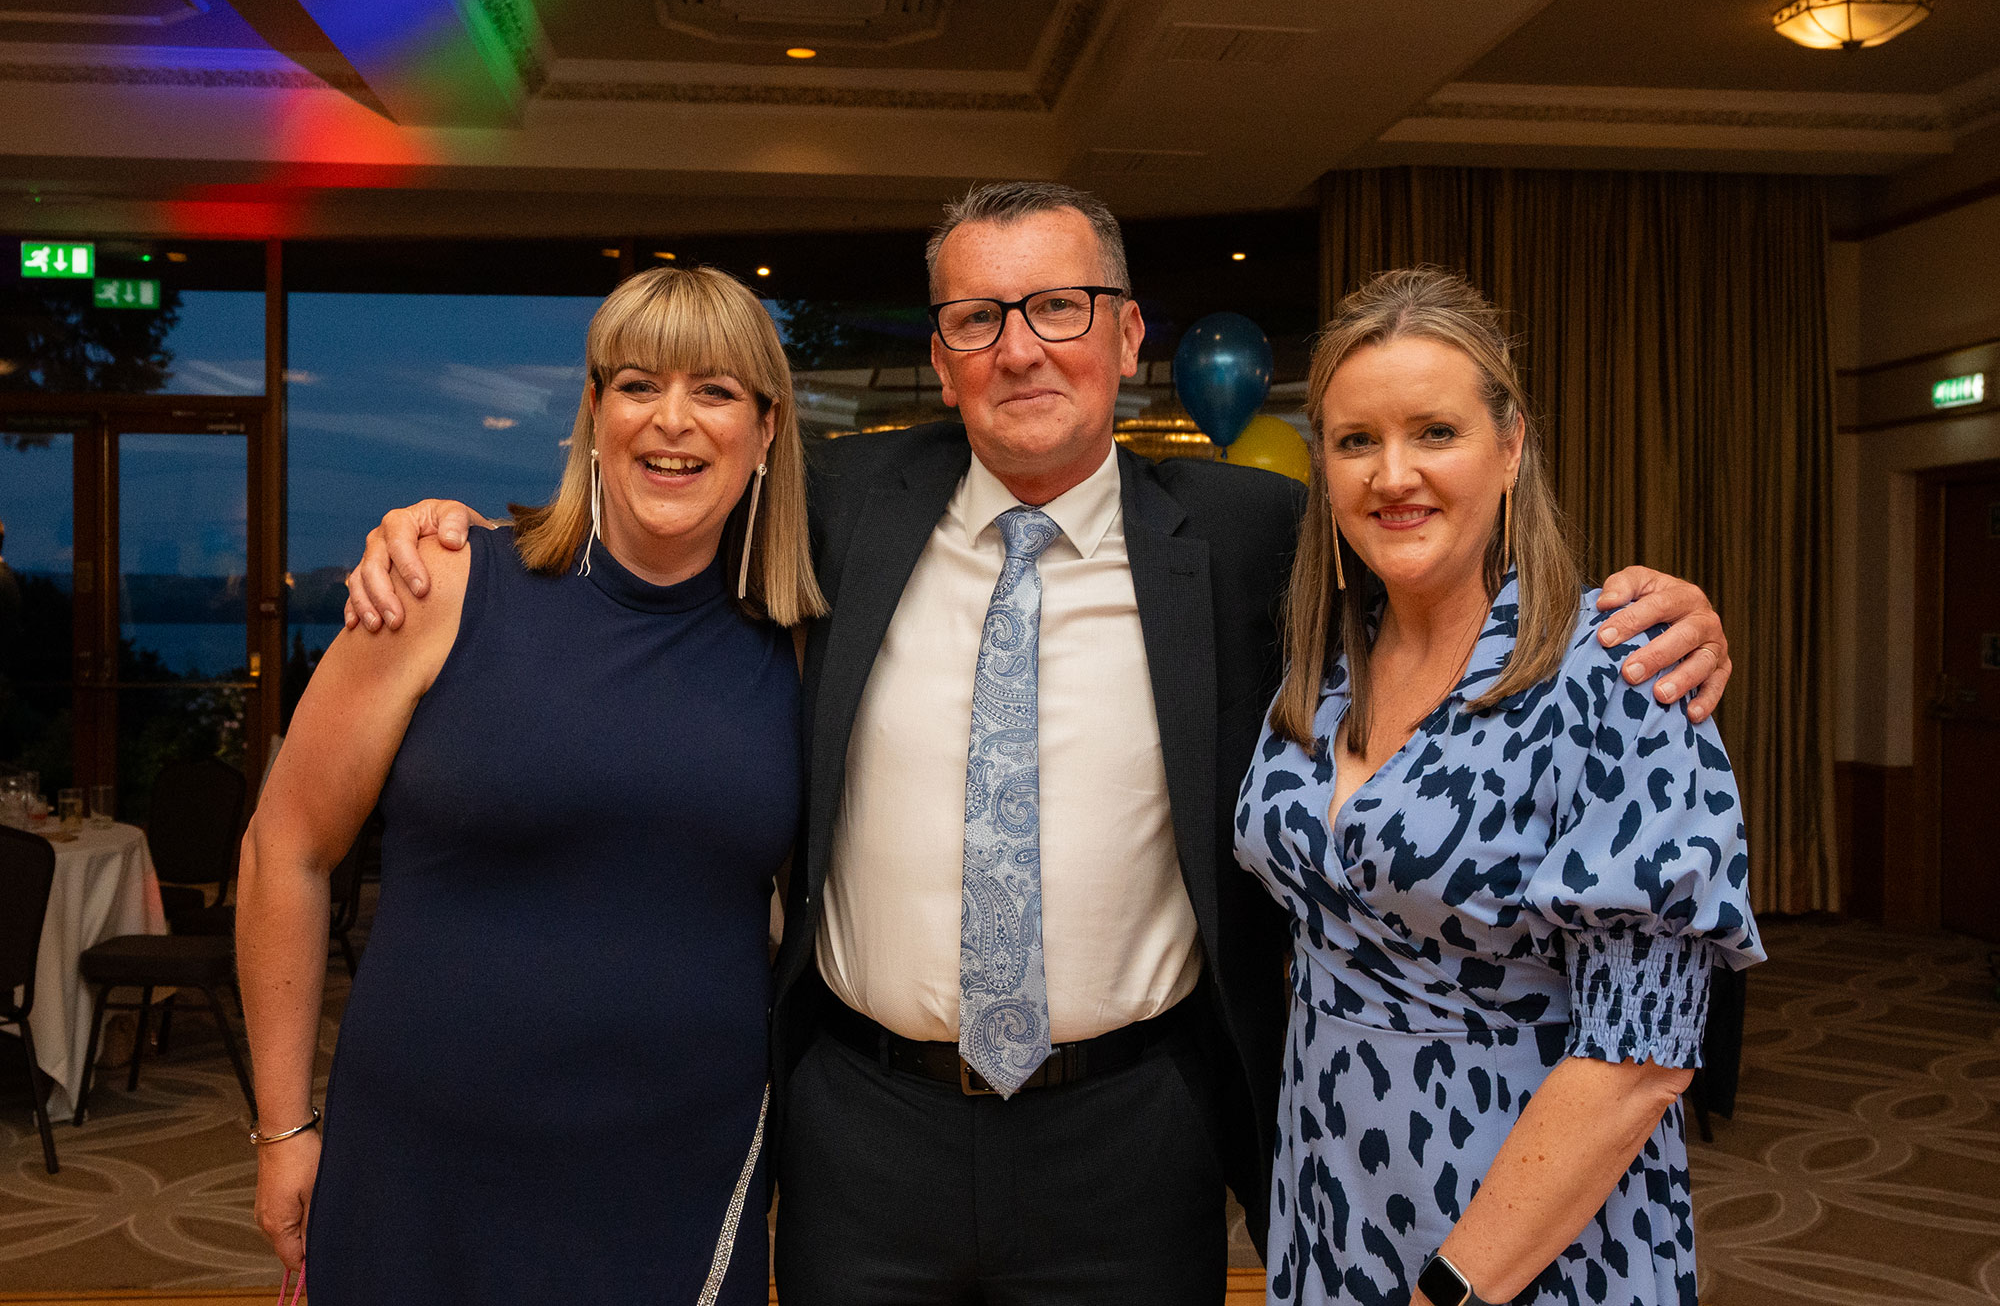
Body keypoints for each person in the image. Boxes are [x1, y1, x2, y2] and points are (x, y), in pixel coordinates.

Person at [343, 184, 1735, 1304]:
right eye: (977, 317)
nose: (1019, 348)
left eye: (1058, 307)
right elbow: (657, 491)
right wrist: (449, 532)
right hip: (864, 1124)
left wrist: (1656, 611)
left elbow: (1434, 553)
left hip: (1130, 1132)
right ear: (941, 358)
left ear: (1126, 336)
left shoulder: (1246, 537)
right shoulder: (836, 502)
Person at [236, 265, 824, 1304]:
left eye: (716, 390)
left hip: (680, 1170)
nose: (672, 420)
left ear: (766, 430)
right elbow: (285, 848)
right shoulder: (442, 586)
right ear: (593, 413)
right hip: (423, 1163)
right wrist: (284, 1127)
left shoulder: (801, 642)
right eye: (637, 385)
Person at [1234, 267, 1765, 1306]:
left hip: (1526, 1232)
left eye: (1434, 432)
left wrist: (1454, 1288)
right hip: (1327, 1192)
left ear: (1511, 444)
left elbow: (1641, 1057)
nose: (1393, 474)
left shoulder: (1618, 675)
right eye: (1355, 440)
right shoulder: (1319, 668)